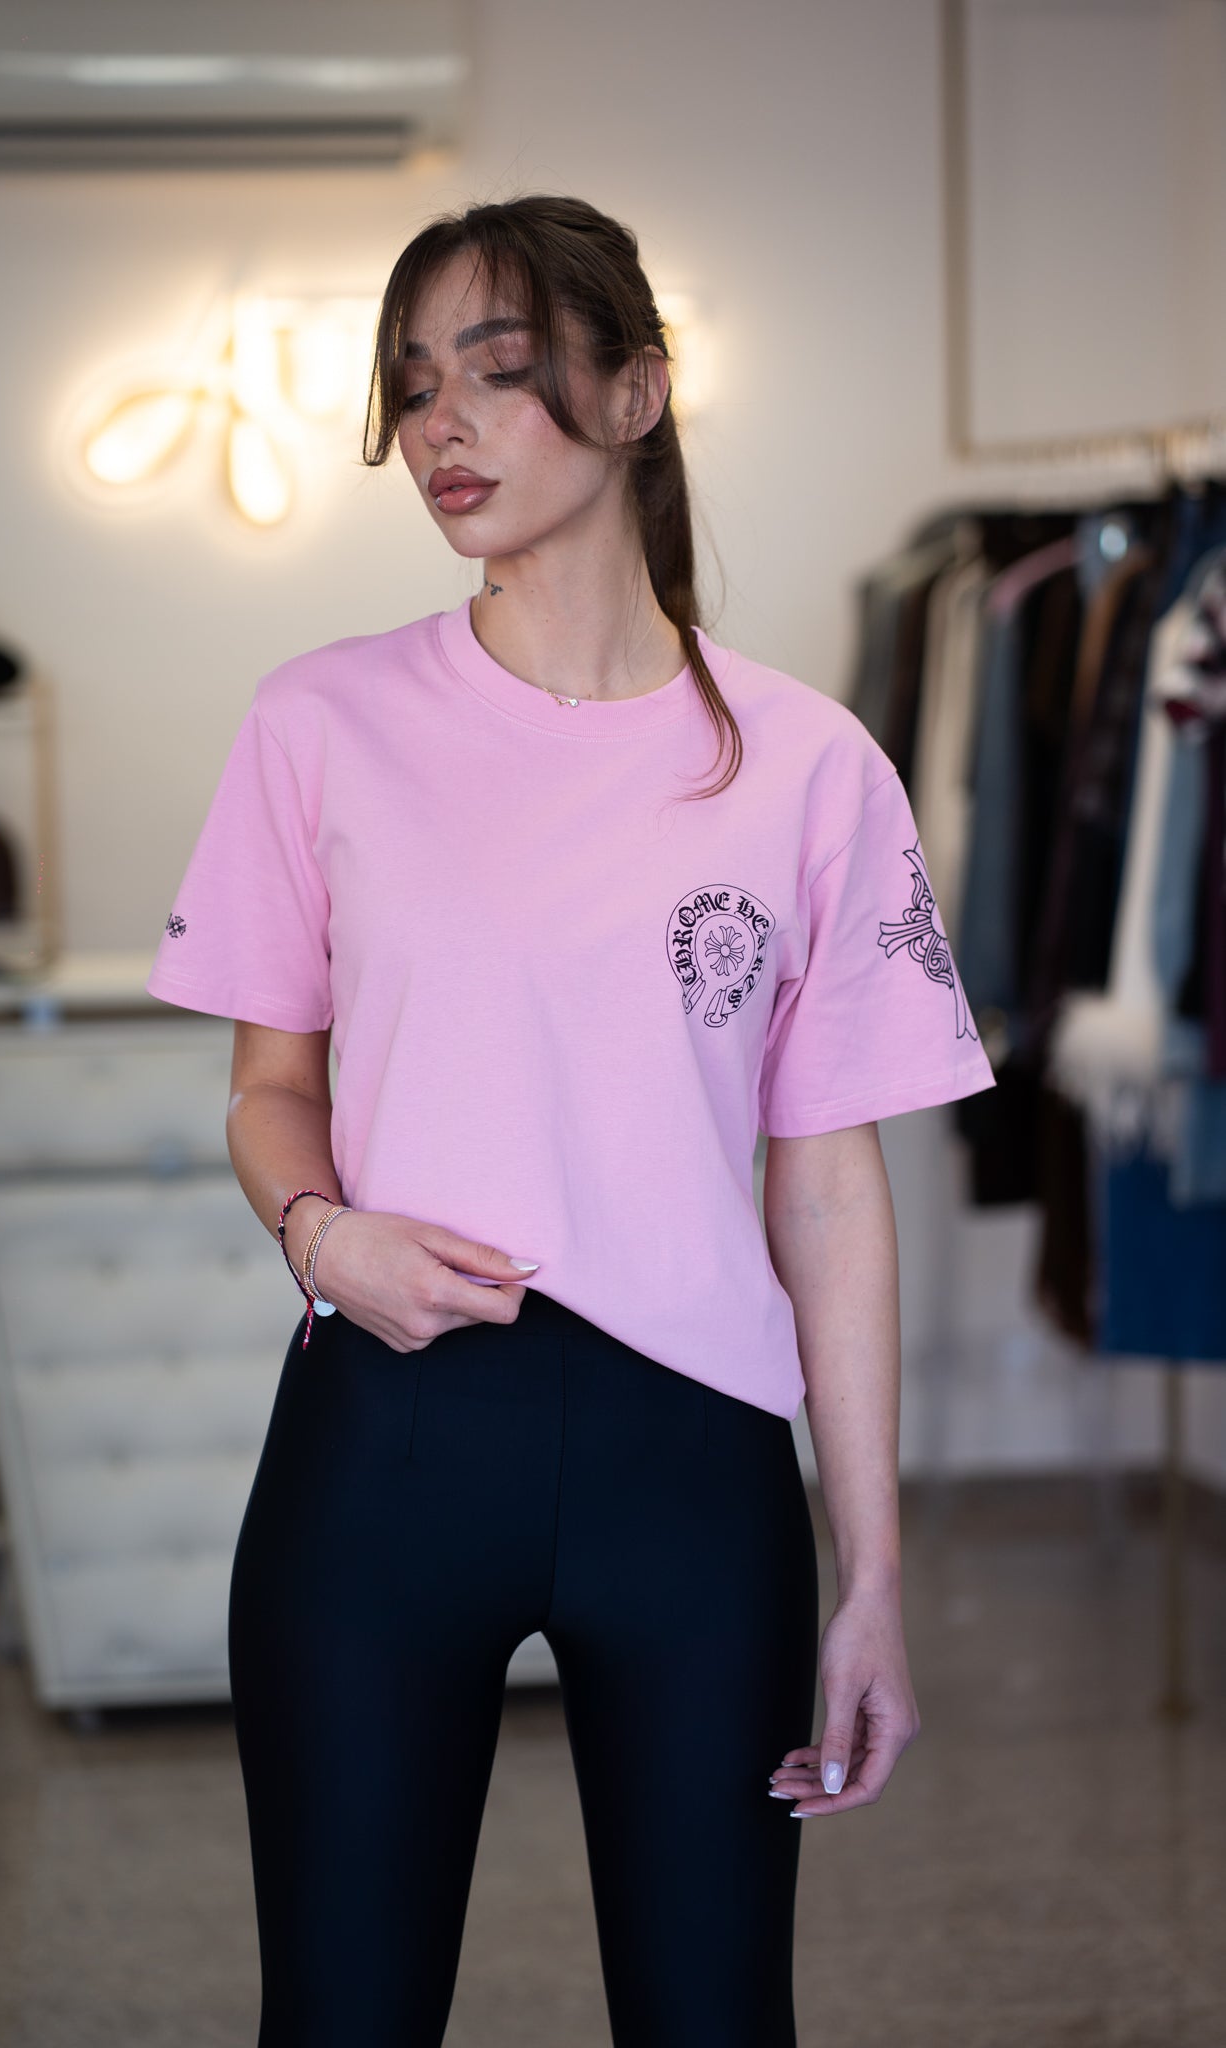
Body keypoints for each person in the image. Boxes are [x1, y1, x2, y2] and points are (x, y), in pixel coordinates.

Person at [145, 193, 997, 2048]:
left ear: (634, 394)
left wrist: (874, 1580)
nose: (440, 424)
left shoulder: (807, 762)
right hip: (387, 1438)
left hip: (694, 1473)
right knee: (342, 2018)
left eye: (499, 371)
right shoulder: (318, 722)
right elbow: (269, 1092)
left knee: (714, 2019)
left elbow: (829, 1190)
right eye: (411, 384)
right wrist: (322, 1234)